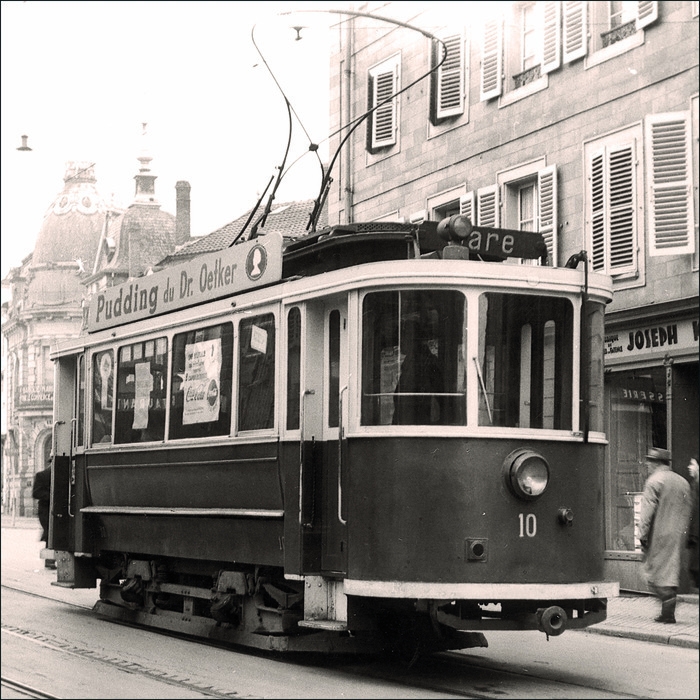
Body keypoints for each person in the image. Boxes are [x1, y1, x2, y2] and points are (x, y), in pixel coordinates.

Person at [638, 447, 691, 623]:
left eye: (649, 461)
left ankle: (668, 604)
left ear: (656, 463)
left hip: (659, 535)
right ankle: (667, 612)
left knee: (651, 573)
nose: (647, 464)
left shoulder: (654, 481)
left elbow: (646, 512)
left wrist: (642, 535)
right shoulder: (683, 481)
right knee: (670, 572)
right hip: (679, 535)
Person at [31, 463, 56, 569]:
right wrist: (51, 495)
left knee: (52, 534)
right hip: (45, 511)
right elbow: (36, 493)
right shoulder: (41, 475)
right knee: (50, 533)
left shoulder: (60, 475)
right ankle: (49, 560)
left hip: (55, 509)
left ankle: (50, 560)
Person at [687, 457, 699, 589]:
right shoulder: (694, 484)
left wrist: (693, 534)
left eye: (692, 464)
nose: (689, 467)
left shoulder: (697, 485)